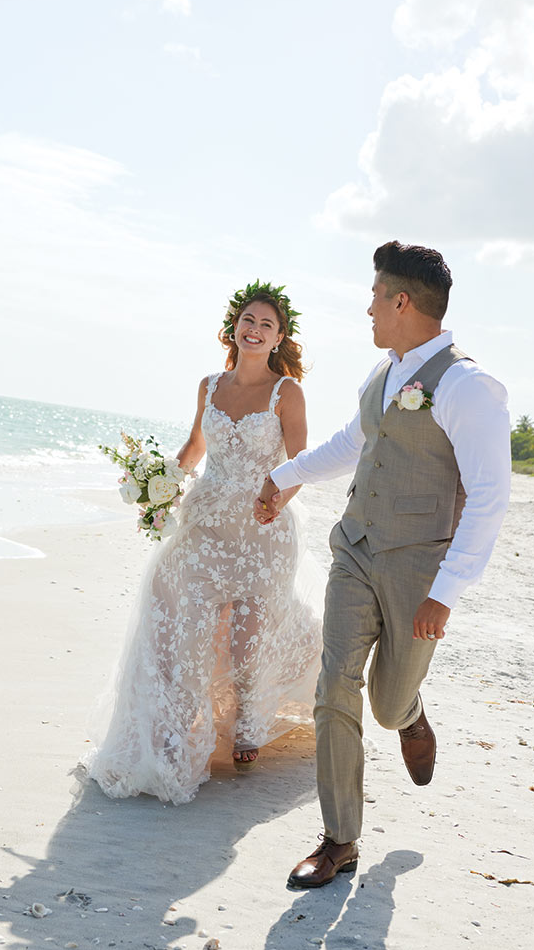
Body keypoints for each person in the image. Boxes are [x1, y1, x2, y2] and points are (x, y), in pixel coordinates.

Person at [255, 241, 511, 887]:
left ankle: (409, 714)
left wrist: (446, 590)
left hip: (417, 570)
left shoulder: (467, 387)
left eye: (374, 296)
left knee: (386, 702)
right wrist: (282, 476)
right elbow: (351, 443)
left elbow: (488, 497)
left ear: (401, 301)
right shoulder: (383, 372)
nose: (366, 308)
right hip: (355, 548)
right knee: (333, 683)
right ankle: (339, 839)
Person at [84, 282, 324, 804]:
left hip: (263, 527)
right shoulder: (209, 386)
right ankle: (178, 729)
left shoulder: (288, 393)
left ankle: (247, 726)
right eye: (247, 320)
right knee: (185, 624)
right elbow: (195, 448)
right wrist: (159, 482)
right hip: (205, 523)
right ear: (232, 328)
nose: (254, 330)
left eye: (266, 324)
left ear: (280, 337)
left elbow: (301, 460)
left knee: (247, 634)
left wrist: (277, 496)